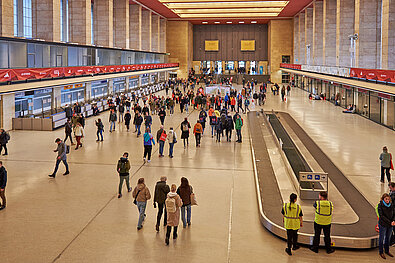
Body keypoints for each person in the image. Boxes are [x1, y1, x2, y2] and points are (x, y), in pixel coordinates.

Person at [377, 193, 395, 259]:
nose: (387, 200)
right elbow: (381, 216)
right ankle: (381, 252)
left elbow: (394, 214)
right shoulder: (380, 205)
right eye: (386, 199)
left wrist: (393, 221)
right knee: (381, 239)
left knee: (388, 238)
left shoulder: (391, 205)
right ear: (383, 199)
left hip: (390, 225)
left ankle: (387, 250)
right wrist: (390, 222)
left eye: (388, 199)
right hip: (383, 225)